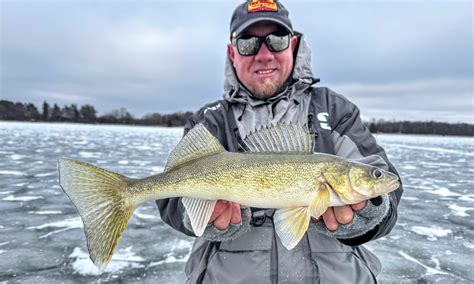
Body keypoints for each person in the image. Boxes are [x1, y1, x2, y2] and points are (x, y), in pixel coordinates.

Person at [157, 0, 403, 283]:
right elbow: (170, 195)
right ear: (231, 53)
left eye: (277, 40)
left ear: (294, 45)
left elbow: (389, 190)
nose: (264, 54)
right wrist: (198, 216)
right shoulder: (211, 121)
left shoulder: (333, 110)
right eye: (248, 43)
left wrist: (372, 212)